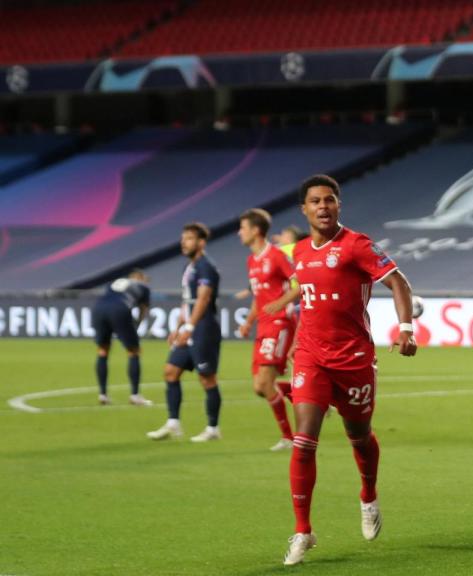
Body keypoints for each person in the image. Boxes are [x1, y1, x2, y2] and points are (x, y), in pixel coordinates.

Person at [263, 174, 417, 566]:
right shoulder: (297, 251)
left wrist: (406, 328)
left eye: (329, 200)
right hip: (313, 359)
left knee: (359, 435)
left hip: (354, 360)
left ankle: (368, 495)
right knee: (304, 440)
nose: (323, 207)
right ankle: (302, 531)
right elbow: (309, 295)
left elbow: (399, 283)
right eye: (315, 201)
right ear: (304, 209)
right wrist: (297, 335)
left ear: (338, 205)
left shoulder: (357, 246)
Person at [147, 222, 224, 443]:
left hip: (204, 329)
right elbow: (187, 301)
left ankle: (213, 428)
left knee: (207, 378)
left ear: (201, 242)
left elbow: (203, 299)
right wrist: (178, 326)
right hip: (191, 327)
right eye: (183, 238)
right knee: (171, 372)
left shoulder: (206, 267)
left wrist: (190, 327)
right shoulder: (189, 267)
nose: (184, 242)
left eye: (189, 238)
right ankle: (173, 424)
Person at [237, 208, 297, 452]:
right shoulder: (251, 260)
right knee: (260, 388)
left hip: (280, 323)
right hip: (263, 325)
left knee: (265, 383)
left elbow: (300, 283)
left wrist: (281, 303)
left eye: (243, 228)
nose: (239, 233)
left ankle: (289, 438)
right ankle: (311, 395)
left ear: (255, 230)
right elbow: (258, 296)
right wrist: (249, 321)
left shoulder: (277, 256)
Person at [90, 269, 153, 406]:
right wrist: (136, 325)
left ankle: (103, 395)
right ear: (140, 278)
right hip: (119, 309)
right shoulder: (143, 287)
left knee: (103, 351)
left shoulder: (116, 282)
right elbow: (143, 310)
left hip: (98, 308)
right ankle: (135, 395)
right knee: (133, 351)